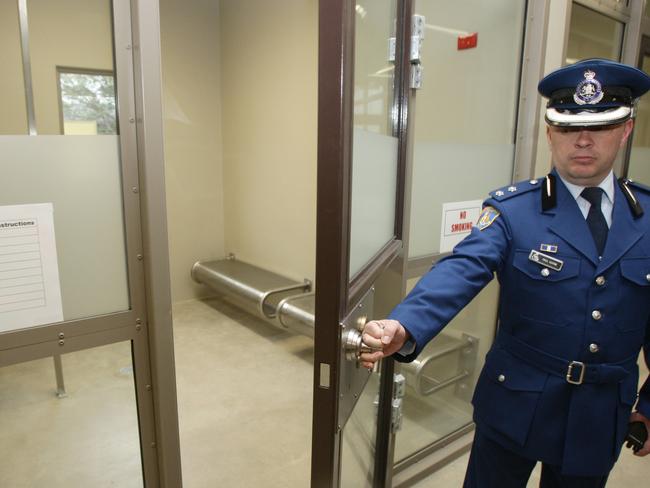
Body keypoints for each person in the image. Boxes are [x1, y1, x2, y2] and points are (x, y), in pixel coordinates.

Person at [360, 58, 650, 487]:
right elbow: (463, 267)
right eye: (569, 128)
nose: (584, 141)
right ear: (550, 134)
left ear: (625, 130)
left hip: (601, 413)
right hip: (517, 404)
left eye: (601, 127)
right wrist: (405, 323)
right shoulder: (514, 210)